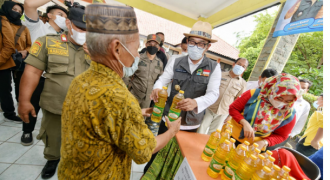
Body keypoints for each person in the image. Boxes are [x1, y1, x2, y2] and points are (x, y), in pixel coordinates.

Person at [57, 4, 181, 180]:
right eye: (136, 48)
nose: (138, 56)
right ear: (116, 49)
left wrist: (136, 112)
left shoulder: (81, 79)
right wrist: (171, 131)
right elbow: (144, 151)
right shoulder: (120, 98)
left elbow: (98, 118)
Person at [18, 6, 89, 179]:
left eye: (88, 30)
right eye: (80, 27)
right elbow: (32, 72)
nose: (84, 32)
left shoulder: (98, 51)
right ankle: (52, 160)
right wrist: (24, 101)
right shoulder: (47, 41)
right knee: (54, 138)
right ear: (68, 23)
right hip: (55, 106)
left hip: (86, 110)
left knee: (82, 140)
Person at [144, 20, 221, 174]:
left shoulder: (214, 67)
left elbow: (214, 93)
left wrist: (196, 102)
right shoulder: (175, 61)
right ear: (187, 42)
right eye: (192, 42)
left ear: (207, 47)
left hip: (190, 125)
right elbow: (162, 80)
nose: (195, 46)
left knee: (177, 161)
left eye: (201, 44)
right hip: (168, 120)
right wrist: (157, 89)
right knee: (154, 157)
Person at [20, 0, 69, 146]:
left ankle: (51, 140)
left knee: (54, 111)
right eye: (60, 14)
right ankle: (27, 130)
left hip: (55, 79)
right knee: (31, 104)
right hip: (37, 76)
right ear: (49, 15)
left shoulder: (66, 36)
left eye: (65, 16)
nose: (63, 18)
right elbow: (29, 5)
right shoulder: (38, 27)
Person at [228, 73, 302, 150]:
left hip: (254, 148)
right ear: (273, 89)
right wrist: (244, 122)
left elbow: (282, 136)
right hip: (230, 137)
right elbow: (233, 108)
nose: (282, 103)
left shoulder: (289, 112)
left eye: (288, 101)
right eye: (279, 98)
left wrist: (265, 142)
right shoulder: (255, 94)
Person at [197, 58, 248, 135]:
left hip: (223, 112)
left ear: (245, 69)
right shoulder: (219, 74)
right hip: (209, 108)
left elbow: (238, 102)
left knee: (213, 135)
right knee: (200, 130)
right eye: (239, 64)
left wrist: (230, 116)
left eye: (243, 66)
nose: (240, 67)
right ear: (234, 64)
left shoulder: (243, 84)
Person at [0, 1, 28, 123]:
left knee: (17, 87)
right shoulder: (4, 21)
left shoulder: (23, 27)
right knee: (4, 88)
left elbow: (29, 45)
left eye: (19, 11)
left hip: (16, 61)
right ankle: (8, 111)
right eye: (14, 9)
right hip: (5, 60)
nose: (16, 13)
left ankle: (16, 110)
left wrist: (25, 51)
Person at [268, 79, 312, 150]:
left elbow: (301, 121)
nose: (300, 89)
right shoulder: (284, 96)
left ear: (307, 90)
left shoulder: (305, 105)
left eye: (303, 88)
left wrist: (291, 135)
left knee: (269, 151)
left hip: (284, 134)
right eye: (299, 86)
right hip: (268, 128)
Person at [125, 34, 163, 108]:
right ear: (146, 45)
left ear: (158, 48)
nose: (152, 46)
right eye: (150, 43)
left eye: (155, 45)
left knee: (142, 119)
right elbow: (127, 76)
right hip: (134, 95)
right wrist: (125, 90)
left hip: (148, 99)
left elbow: (160, 80)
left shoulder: (160, 64)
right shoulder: (138, 58)